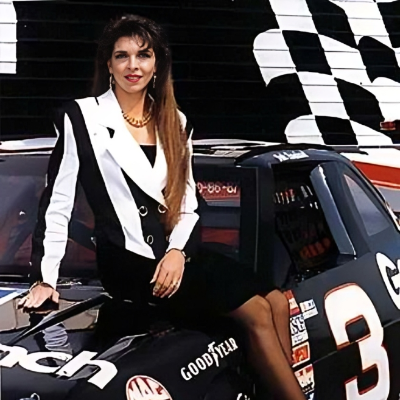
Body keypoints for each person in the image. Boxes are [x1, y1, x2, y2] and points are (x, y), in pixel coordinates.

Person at [18, 14, 306, 400]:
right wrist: (46, 279)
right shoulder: (82, 116)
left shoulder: (174, 120)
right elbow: (58, 202)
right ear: (108, 64)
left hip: (175, 254)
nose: (132, 66)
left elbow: (187, 202)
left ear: (157, 65)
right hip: (128, 262)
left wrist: (177, 252)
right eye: (122, 56)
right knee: (255, 310)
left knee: (274, 300)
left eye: (143, 55)